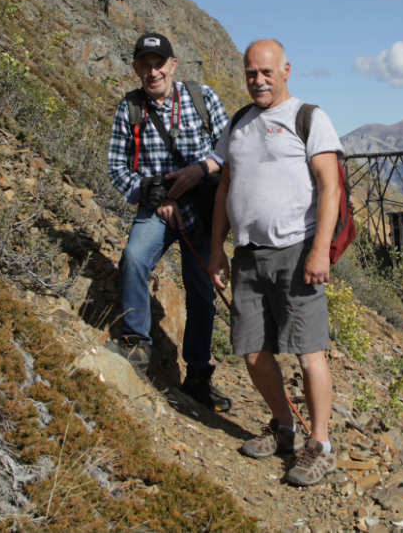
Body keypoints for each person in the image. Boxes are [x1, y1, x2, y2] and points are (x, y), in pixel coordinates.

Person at [209, 39, 342, 486]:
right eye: (251, 73)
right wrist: (216, 249)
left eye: (267, 72)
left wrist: (320, 249)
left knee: (309, 355)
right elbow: (225, 189)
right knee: (251, 352)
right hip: (248, 255)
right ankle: (284, 427)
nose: (259, 80)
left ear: (286, 69)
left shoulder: (310, 119)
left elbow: (330, 188)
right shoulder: (239, 124)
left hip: (297, 253)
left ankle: (320, 446)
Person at [106, 32, 232, 412]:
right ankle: (136, 345)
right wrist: (154, 197)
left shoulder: (202, 97)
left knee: (202, 293)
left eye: (159, 63)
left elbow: (231, 150)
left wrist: (199, 170)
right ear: (135, 69)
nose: (152, 71)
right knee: (134, 258)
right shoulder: (129, 108)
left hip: (204, 207)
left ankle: (197, 375)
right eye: (144, 64)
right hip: (158, 207)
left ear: (173, 65)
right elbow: (117, 168)